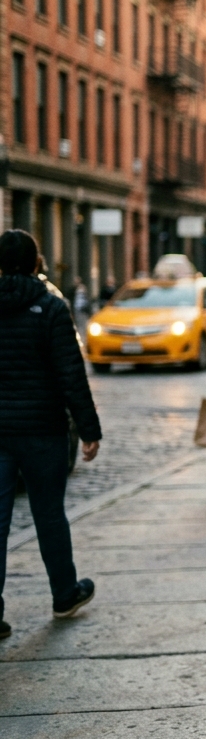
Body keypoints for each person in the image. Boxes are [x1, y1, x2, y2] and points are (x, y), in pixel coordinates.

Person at [0, 230, 102, 640]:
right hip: (43, 431)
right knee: (49, 515)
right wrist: (89, 429)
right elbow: (70, 376)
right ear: (36, 262)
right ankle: (64, 593)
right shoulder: (52, 307)